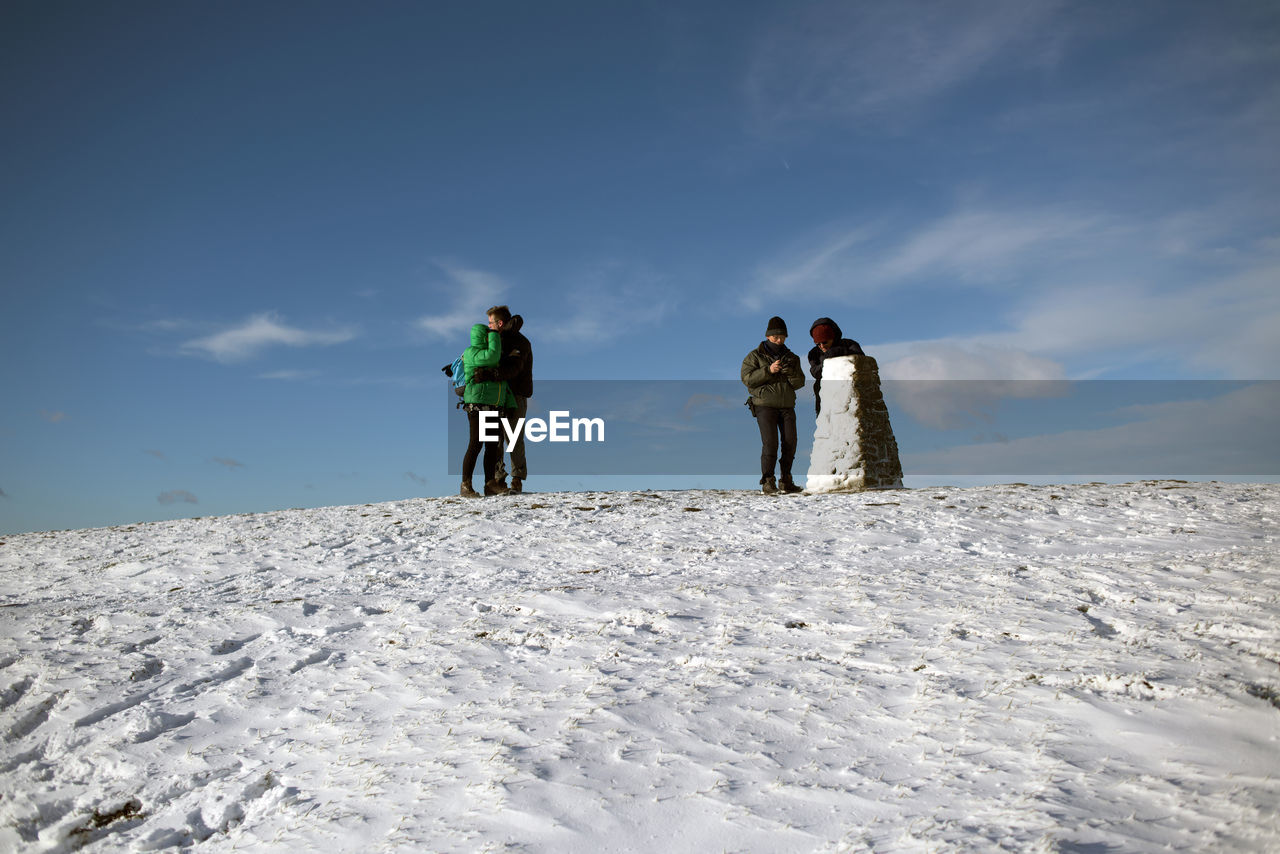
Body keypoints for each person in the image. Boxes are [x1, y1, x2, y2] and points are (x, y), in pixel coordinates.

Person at [741, 316, 805, 494]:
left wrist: (789, 373)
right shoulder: (754, 356)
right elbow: (747, 379)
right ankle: (768, 481)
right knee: (770, 443)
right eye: (776, 336)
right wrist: (768, 371)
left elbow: (800, 382)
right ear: (768, 336)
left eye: (782, 337)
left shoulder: (792, 358)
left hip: (787, 406)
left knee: (790, 442)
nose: (779, 340)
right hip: (764, 405)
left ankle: (787, 480)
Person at [459, 322, 516, 497]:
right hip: (476, 405)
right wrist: (494, 334)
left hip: (493, 406)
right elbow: (491, 356)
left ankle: (489, 483)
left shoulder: (494, 358)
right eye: (489, 335)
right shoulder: (471, 352)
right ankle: (466, 484)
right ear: (483, 336)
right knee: (475, 444)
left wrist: (510, 403)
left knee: (492, 446)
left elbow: (502, 384)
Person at [487, 305, 533, 493]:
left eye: (490, 322)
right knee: (493, 437)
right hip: (496, 393)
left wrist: (491, 373)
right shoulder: (494, 340)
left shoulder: (520, 342)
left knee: (513, 437)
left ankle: (517, 479)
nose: (488, 326)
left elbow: (515, 368)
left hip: (516, 393)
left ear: (499, 323)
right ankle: (499, 479)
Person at [807, 317, 864, 415]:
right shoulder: (814, 353)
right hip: (824, 399)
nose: (822, 346)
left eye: (824, 342)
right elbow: (815, 372)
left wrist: (839, 352)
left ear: (833, 337)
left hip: (850, 396)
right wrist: (828, 359)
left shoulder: (849, 345)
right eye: (818, 344)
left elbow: (861, 362)